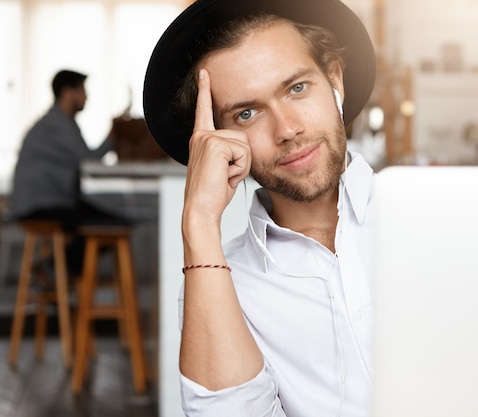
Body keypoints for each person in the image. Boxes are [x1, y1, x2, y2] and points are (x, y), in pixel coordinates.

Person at [142, 0, 376, 415]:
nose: (287, 129)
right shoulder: (220, 282)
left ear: (335, 80)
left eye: (297, 88)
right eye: (247, 113)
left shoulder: (432, 223)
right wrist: (198, 222)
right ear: (218, 139)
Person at [11, 69, 129, 276]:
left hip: (49, 201)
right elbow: (88, 159)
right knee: (110, 225)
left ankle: (55, 275)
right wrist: (113, 134)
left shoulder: (60, 123)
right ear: (67, 92)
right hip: (40, 205)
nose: (87, 96)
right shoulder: (58, 123)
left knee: (110, 223)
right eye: (82, 89)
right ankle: (52, 270)